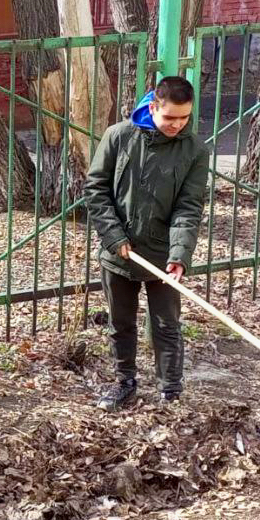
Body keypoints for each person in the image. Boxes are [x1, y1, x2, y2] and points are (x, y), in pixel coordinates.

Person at [84, 75, 209, 411]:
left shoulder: (194, 150)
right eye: (170, 117)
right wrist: (113, 237)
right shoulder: (119, 137)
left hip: (162, 254)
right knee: (121, 323)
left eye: (185, 118)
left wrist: (179, 255)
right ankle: (125, 382)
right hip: (119, 254)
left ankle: (171, 392)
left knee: (167, 324)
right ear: (153, 106)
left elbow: (189, 206)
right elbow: (96, 191)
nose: (177, 125)